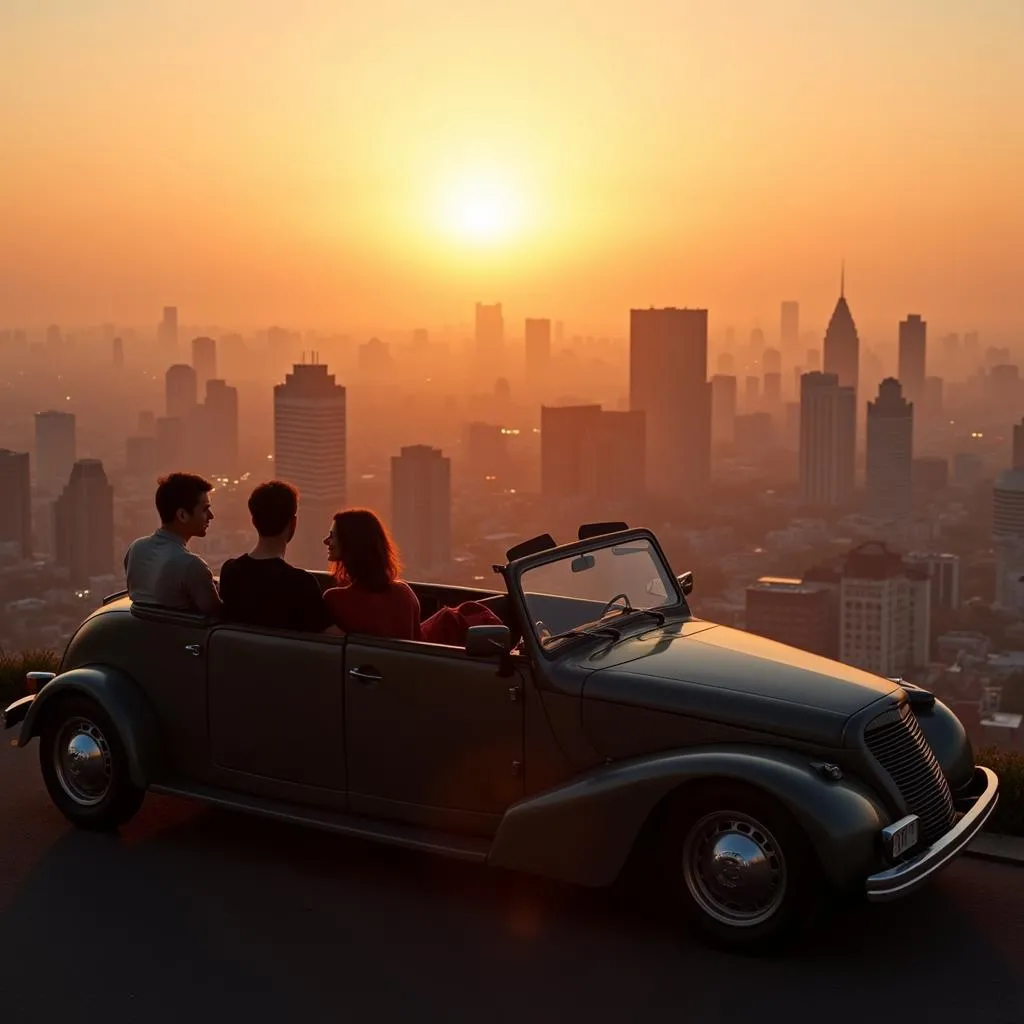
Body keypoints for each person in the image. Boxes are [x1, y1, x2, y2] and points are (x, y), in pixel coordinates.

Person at [220, 481, 339, 634]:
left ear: (254, 522)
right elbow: (333, 637)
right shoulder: (301, 583)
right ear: (293, 523)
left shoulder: (230, 571)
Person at [124, 472, 222, 615]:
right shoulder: (192, 565)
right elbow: (218, 615)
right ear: (182, 515)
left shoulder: (136, 549)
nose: (211, 516)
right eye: (205, 509)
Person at [322, 509, 422, 640]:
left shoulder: (335, 599)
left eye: (332, 535)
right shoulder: (405, 594)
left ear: (349, 541)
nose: (326, 541)